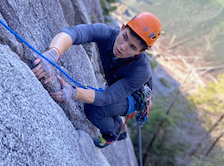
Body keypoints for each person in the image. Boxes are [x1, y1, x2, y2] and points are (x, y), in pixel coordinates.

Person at [32, 12, 162, 148]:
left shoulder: (141, 70)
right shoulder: (107, 33)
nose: (123, 47)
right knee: (105, 104)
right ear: (122, 27)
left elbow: (106, 97)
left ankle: (112, 133)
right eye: (124, 37)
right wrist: (53, 53)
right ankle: (116, 122)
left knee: (94, 109)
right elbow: (74, 33)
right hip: (117, 86)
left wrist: (73, 92)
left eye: (133, 47)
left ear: (140, 52)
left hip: (133, 97)